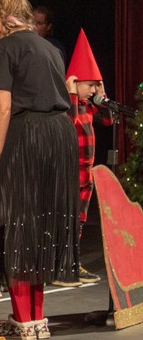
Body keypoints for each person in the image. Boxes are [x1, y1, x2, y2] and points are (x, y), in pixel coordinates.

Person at [0, 0, 78, 340]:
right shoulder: (48, 46)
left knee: (18, 220)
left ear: (2, 19)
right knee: (41, 223)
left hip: (29, 135)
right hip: (60, 135)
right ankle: (36, 319)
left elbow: (3, 106)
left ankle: (24, 321)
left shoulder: (3, 47)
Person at [64, 29, 112, 285]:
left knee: (80, 218)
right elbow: (70, 123)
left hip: (87, 170)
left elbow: (108, 120)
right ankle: (63, 265)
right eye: (90, 84)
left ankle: (74, 261)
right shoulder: (66, 104)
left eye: (96, 84)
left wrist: (102, 95)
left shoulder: (90, 106)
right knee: (68, 217)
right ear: (75, 81)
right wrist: (71, 93)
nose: (93, 88)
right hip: (70, 170)